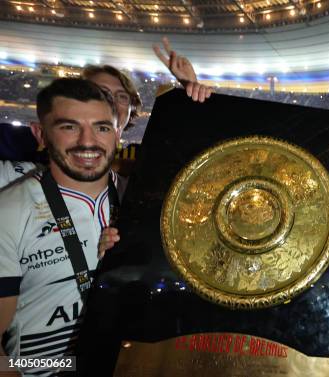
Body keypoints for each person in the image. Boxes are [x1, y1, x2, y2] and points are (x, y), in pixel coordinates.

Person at [0, 78, 120, 376]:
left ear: (117, 134)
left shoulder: (137, 201)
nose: (88, 141)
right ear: (40, 133)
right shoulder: (10, 210)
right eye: (69, 127)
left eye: (102, 127)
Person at [0, 37, 211, 189]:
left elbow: (200, 163)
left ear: (132, 108)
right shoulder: (33, 143)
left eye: (121, 96)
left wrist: (190, 90)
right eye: (101, 93)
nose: (110, 101)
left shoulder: (143, 154)